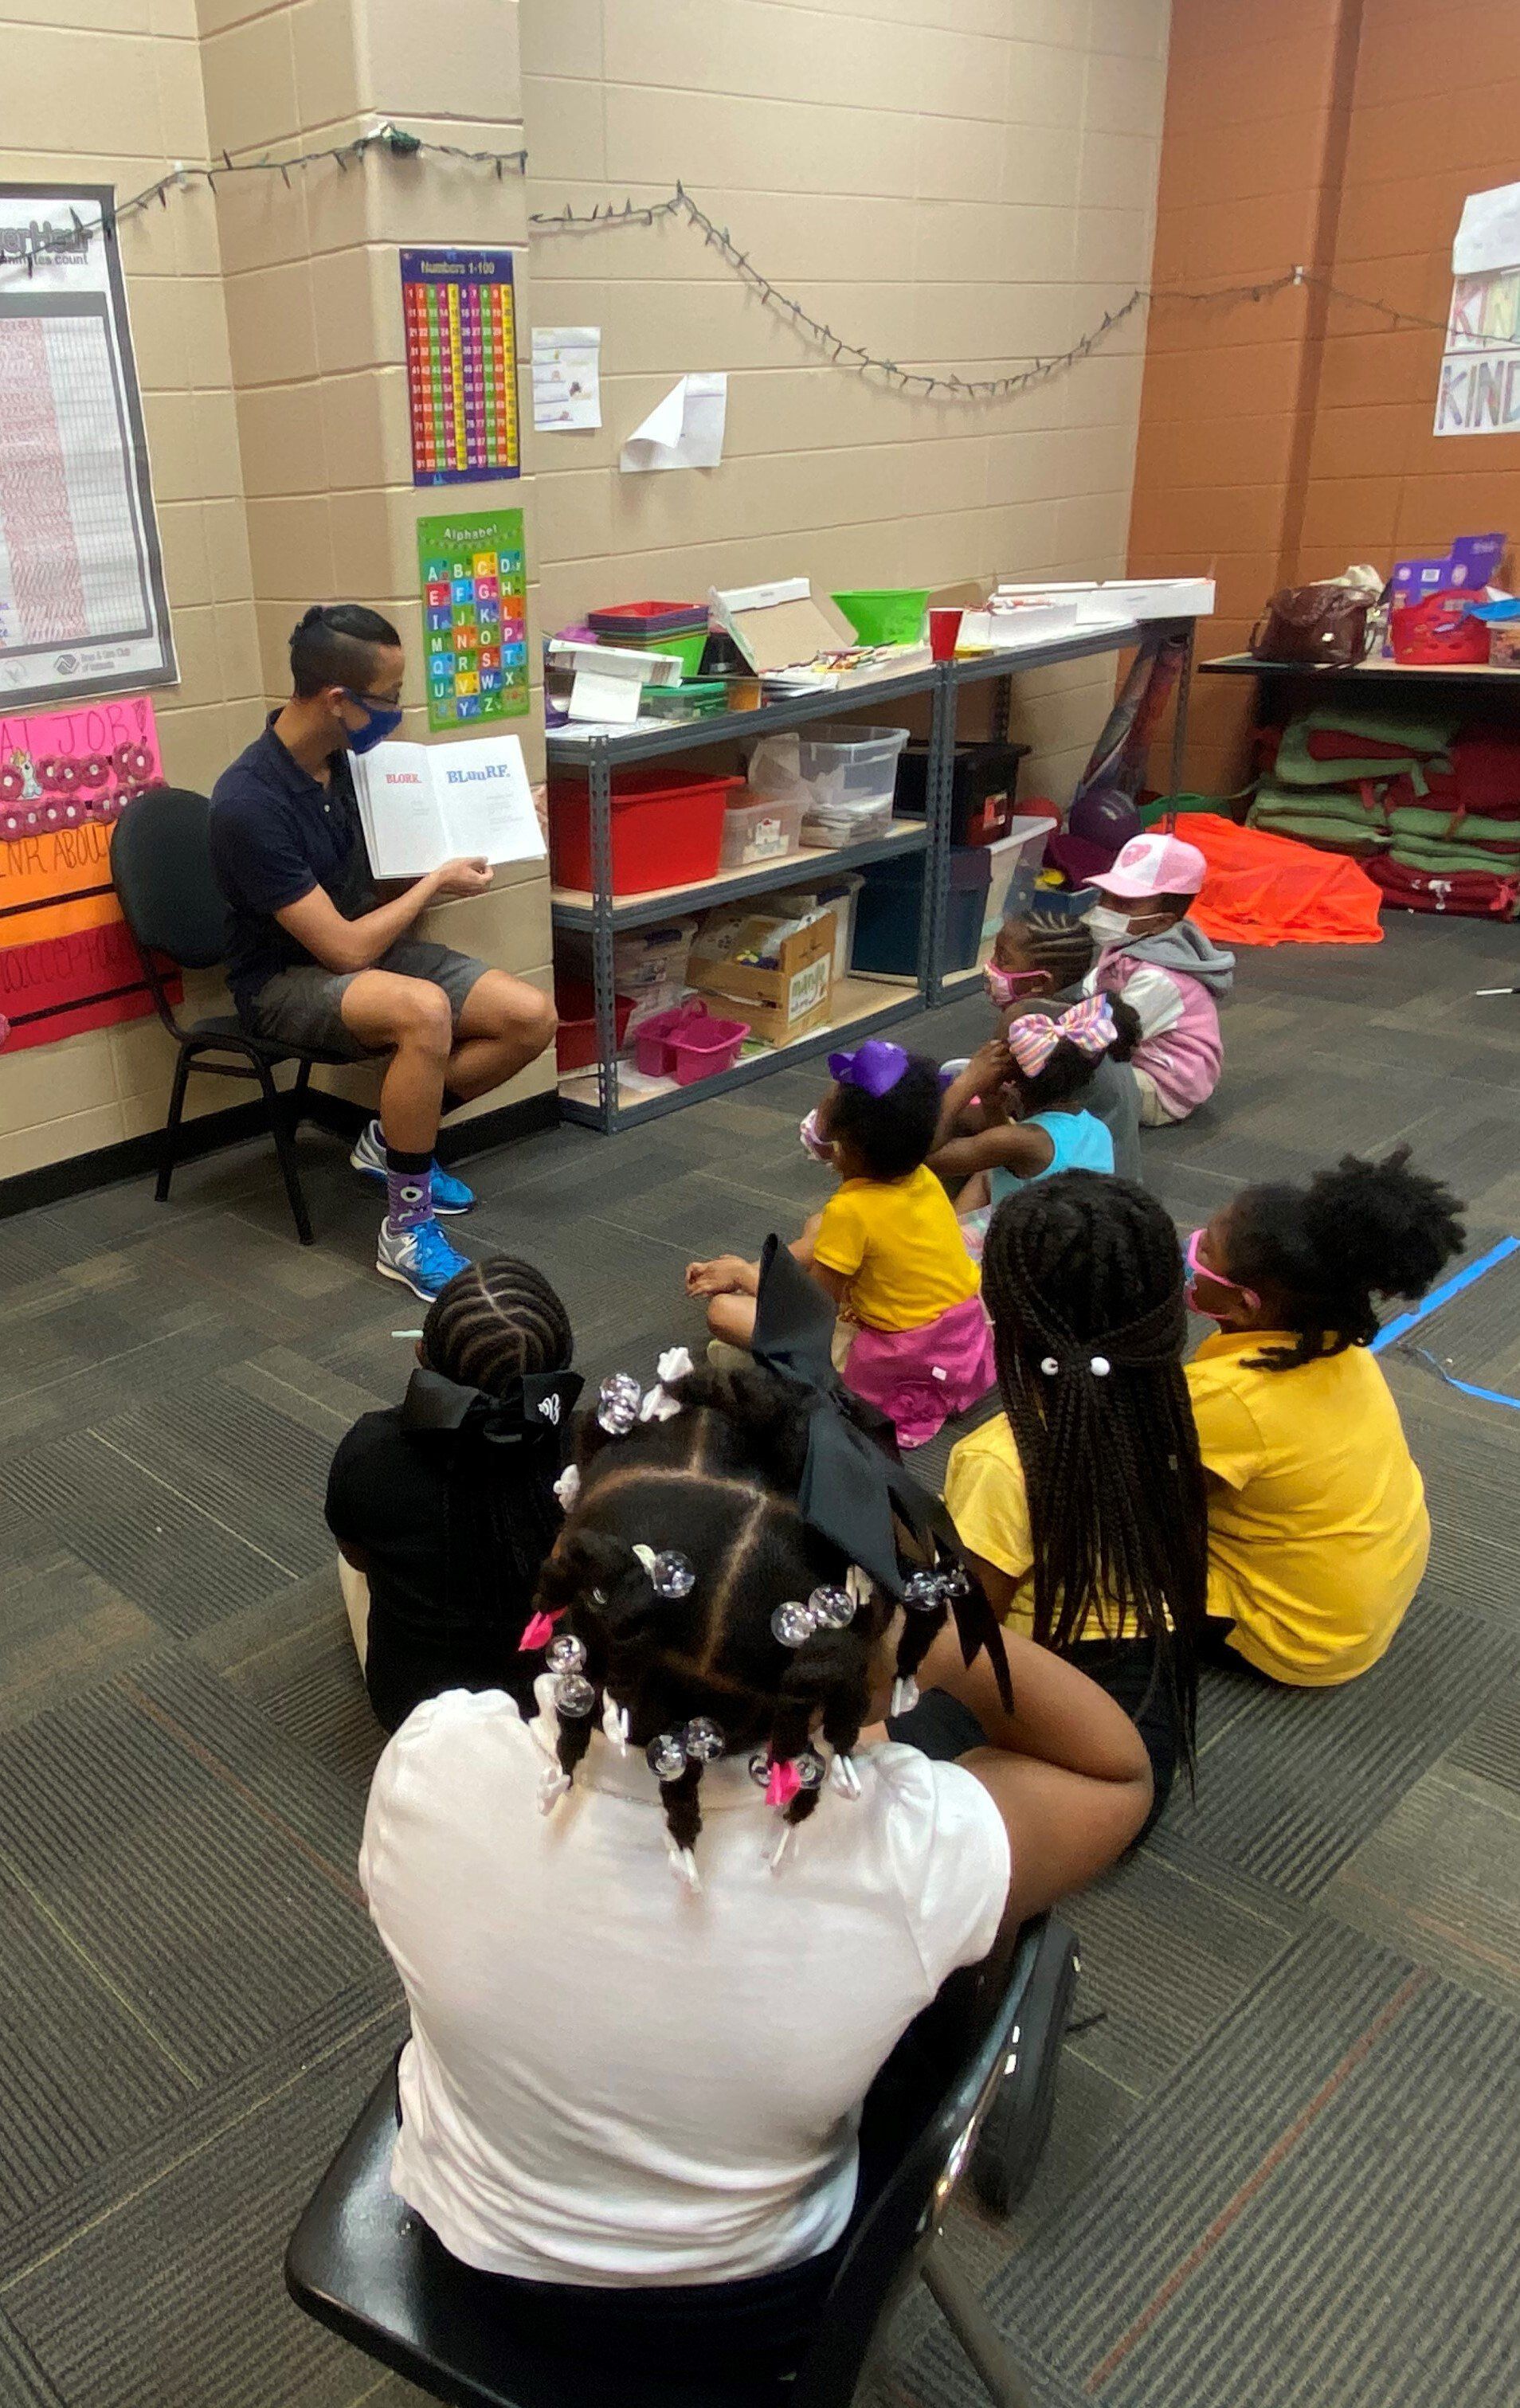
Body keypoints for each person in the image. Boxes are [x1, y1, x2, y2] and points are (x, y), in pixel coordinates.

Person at [360, 1359, 1152, 2376]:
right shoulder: (902, 1853)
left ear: (571, 1585)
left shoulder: (434, 1762)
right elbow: (1114, 1774)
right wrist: (933, 1646)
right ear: (855, 1656)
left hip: (465, 2254)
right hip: (746, 2317)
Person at [208, 603, 557, 1301]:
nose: (397, 712)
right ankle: (405, 1227)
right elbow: (341, 949)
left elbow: (388, 883)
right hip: (282, 982)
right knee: (424, 1012)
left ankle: (390, 1144)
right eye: (390, 699)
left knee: (532, 1018)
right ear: (338, 700)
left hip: (370, 953)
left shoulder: (349, 767)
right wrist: (434, 883)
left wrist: (501, 819)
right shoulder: (249, 802)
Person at [941, 1173, 1208, 1823]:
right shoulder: (1168, 1405)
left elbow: (965, 1639)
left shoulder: (998, 1461)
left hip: (1060, 1748)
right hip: (1139, 1721)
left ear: (1001, 1310)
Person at [1184, 1146, 1466, 1685]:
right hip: (1377, 1579)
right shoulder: (1338, 1344)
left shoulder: (1232, 1397)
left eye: (1207, 1249)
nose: (1192, 1248)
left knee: (1105, 1553)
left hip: (1305, 1636)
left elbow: (1145, 1490)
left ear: (1246, 1305)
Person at [684, 1040, 993, 1447]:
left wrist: (743, 1275)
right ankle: (761, 1282)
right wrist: (752, 1270)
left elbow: (812, 1310)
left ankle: (814, 1381)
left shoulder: (852, 1211)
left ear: (843, 1148)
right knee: (817, 1226)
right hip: (960, 1334)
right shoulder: (922, 1176)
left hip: (902, 1357)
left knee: (722, 1315)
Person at [325, 1256, 580, 1731]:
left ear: (423, 1355)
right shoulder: (597, 1453)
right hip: (561, 1708)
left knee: (350, 1559)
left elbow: (358, 1558)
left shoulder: (370, 1451)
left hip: (423, 1716)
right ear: (558, 1376)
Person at [928, 995, 1139, 1259]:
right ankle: (951, 1236)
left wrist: (967, 1082)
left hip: (1025, 1266)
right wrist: (992, 1104)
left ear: (1010, 1080)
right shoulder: (1094, 1128)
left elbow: (919, 1155)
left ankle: (948, 1251)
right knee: (987, 1172)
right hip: (1073, 1253)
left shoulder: (1021, 1141)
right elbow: (1010, 1160)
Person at [970, 910, 1142, 1180]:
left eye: (1004, 960)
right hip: (1112, 1167)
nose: (991, 966)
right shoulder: (1086, 1018)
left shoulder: (1029, 1021)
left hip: (1075, 1182)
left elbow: (990, 1102)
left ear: (1041, 982)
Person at [1079, 831, 1234, 1125]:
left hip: (1161, 1086)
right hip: (1130, 1055)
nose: (1105, 909)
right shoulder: (1127, 943)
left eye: (1124, 903)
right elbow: (1088, 993)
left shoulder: (1161, 977)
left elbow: (1106, 1035)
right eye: (1105, 897)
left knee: (1060, 1085)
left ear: (1163, 921)